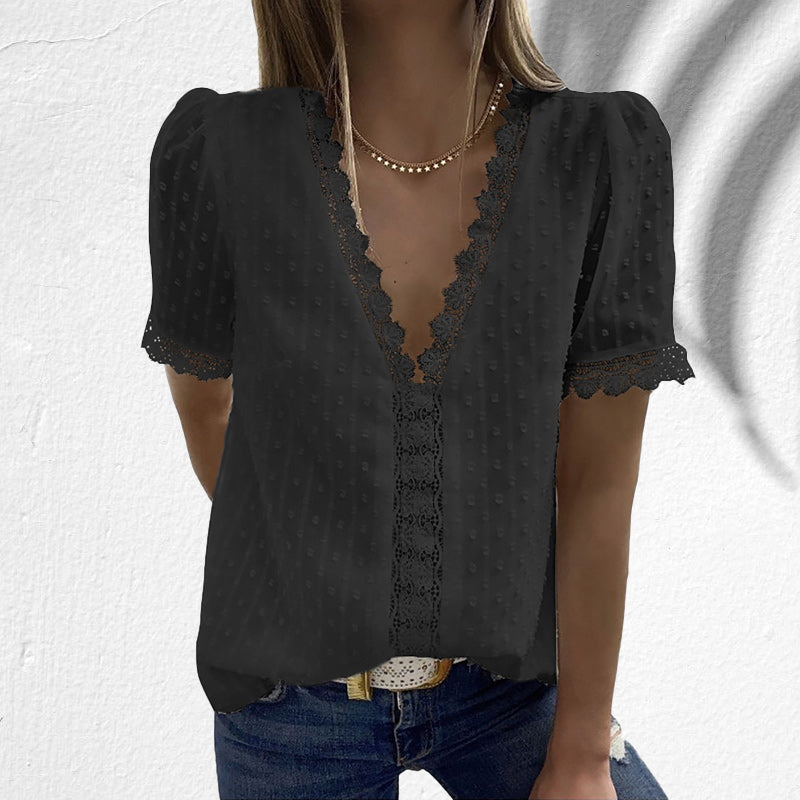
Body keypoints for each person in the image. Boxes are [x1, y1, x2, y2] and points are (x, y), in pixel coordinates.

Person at [140, 1, 695, 798]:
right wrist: (328, 582)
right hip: (290, 712)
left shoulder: (599, 151)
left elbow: (599, 481)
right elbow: (210, 414)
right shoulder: (219, 151)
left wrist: (580, 750)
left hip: (511, 697)